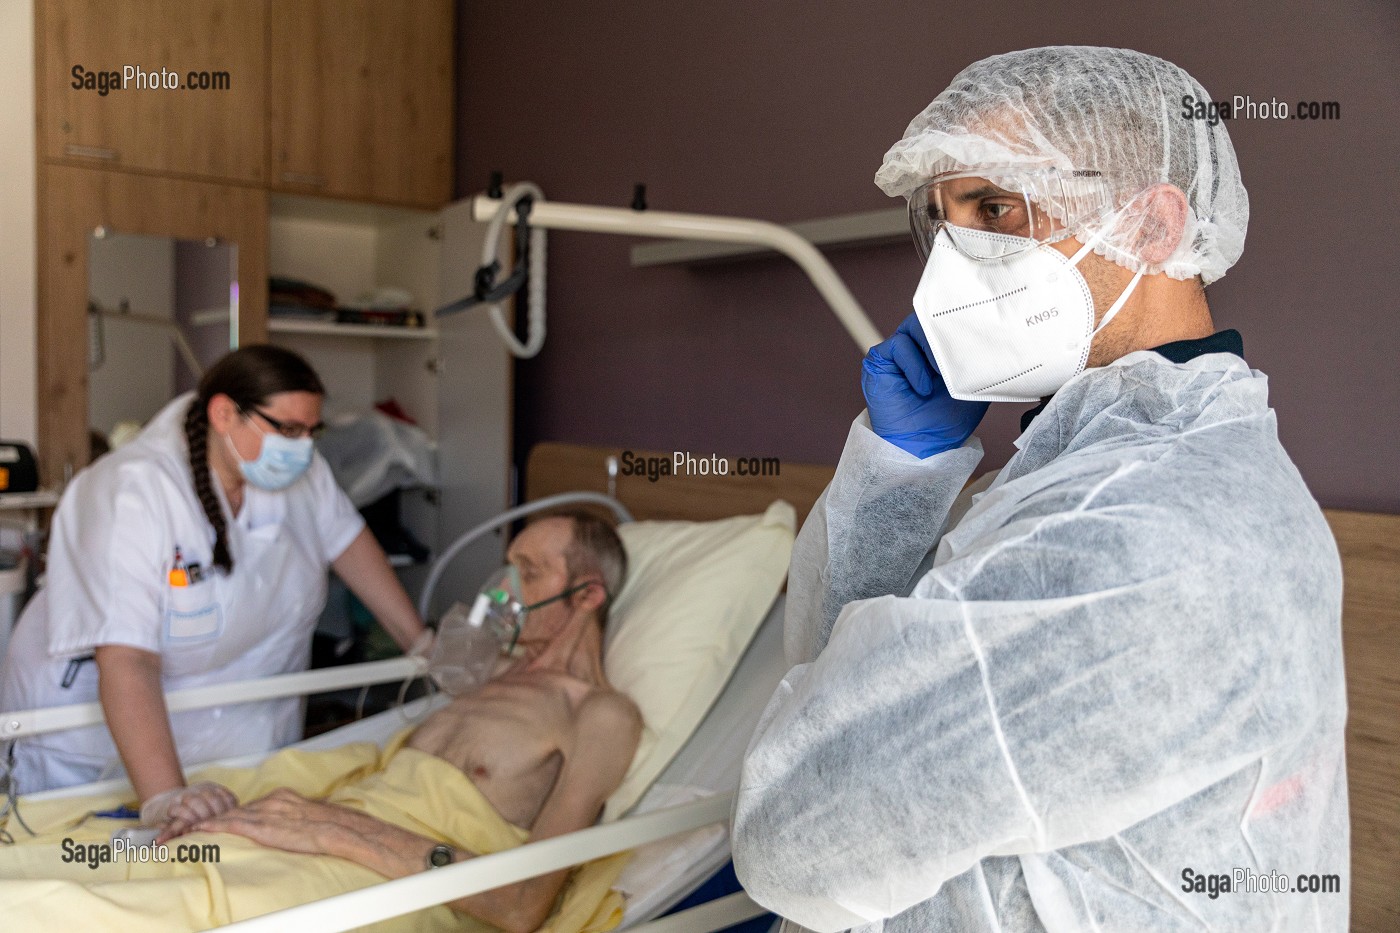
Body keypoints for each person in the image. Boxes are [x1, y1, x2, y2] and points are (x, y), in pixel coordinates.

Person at [732, 47, 1347, 932]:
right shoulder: (1097, 473)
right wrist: (900, 473)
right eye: (944, 222)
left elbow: (792, 834)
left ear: (1153, 228)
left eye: (995, 209)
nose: (954, 261)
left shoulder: (1137, 535)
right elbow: (838, 691)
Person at [0, 346, 430, 826]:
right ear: (225, 414)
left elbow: (349, 543)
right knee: (93, 864)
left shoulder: (300, 471)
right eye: (288, 430)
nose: (303, 448)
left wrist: (424, 645)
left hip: (230, 739)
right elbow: (127, 660)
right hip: (90, 745)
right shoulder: (133, 490)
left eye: (312, 431)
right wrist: (163, 798)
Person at [177, 511, 640, 933]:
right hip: (318, 834)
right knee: (153, 866)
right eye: (510, 567)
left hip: (394, 884)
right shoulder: (484, 673)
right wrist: (320, 820)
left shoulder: (599, 714)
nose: (505, 589)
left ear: (587, 595)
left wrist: (336, 830)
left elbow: (519, 905)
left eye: (530, 573)